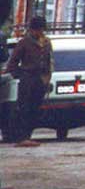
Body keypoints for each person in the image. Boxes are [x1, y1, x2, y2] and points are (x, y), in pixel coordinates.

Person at [5, 16, 53, 147]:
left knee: (35, 109)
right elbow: (12, 64)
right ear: (32, 30)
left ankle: (28, 136)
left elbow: (49, 62)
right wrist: (21, 75)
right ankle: (22, 137)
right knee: (24, 108)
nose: (40, 32)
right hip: (27, 78)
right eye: (38, 30)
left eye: (42, 29)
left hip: (40, 79)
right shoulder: (24, 43)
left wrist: (47, 78)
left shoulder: (47, 42)